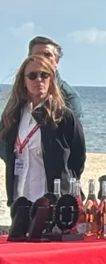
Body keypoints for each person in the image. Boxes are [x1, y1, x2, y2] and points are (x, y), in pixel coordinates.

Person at [1, 55, 86, 208]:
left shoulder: (63, 116)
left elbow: (77, 158)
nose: (39, 80)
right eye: (32, 75)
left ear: (51, 79)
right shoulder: (13, 115)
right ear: (24, 81)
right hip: (20, 197)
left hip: (51, 199)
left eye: (44, 75)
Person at [27, 36, 82, 122]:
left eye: (47, 55)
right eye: (37, 55)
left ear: (57, 61)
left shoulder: (69, 98)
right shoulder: (20, 92)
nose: (42, 59)